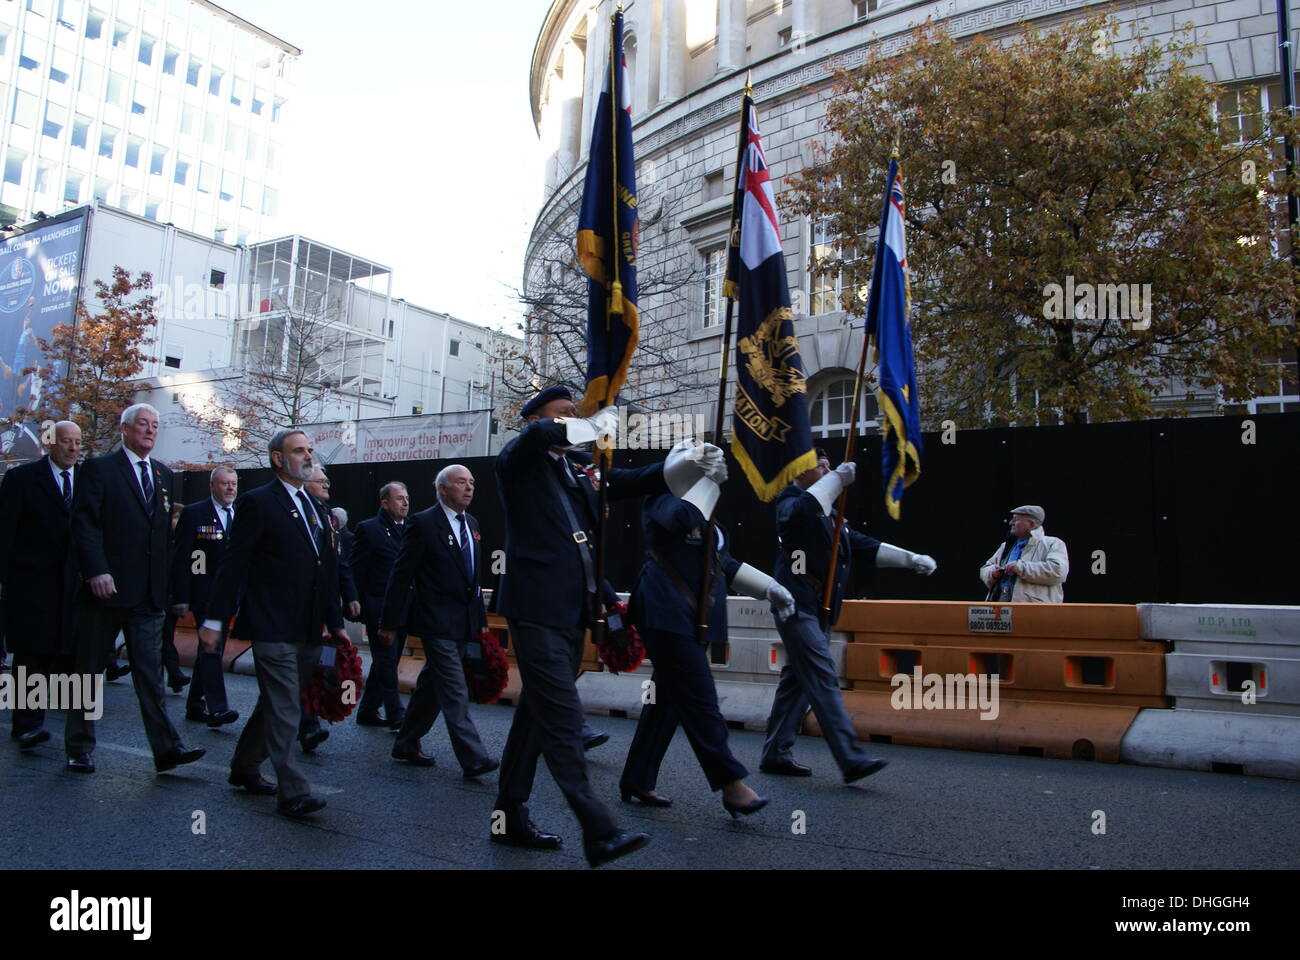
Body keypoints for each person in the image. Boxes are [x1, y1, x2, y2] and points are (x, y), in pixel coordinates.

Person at [491, 384, 721, 868]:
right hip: (536, 610)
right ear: (535, 420)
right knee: (561, 721)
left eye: (575, 413)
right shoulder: (520, 460)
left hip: (572, 612)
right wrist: (597, 422)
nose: (572, 420)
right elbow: (538, 439)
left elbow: (629, 482)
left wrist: (688, 464)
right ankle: (599, 830)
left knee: (536, 716)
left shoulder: (574, 473)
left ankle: (509, 815)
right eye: (562, 413)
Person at [620, 463, 792, 816]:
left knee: (667, 701)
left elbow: (724, 564)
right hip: (664, 610)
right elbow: (682, 519)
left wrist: (771, 588)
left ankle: (637, 778)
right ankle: (731, 784)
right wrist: (705, 482)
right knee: (701, 698)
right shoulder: (664, 500)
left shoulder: (710, 515)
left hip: (693, 616)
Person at [199, 429, 348, 819]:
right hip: (271, 624)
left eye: (310, 450)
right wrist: (214, 620)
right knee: (285, 706)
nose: (307, 456)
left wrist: (335, 621)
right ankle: (293, 791)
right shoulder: (258, 503)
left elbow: (326, 568)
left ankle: (245, 766)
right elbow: (233, 565)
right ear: (277, 459)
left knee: (277, 703)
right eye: (298, 451)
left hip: (309, 626)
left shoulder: (315, 508)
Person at [759, 451, 935, 782]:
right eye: (821, 466)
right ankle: (850, 758)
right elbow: (800, 513)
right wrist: (837, 479)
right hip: (795, 606)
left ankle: (775, 753)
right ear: (800, 472)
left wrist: (911, 559)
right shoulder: (791, 499)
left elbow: (865, 546)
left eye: (830, 466)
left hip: (819, 610)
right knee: (823, 674)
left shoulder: (830, 516)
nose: (829, 469)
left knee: (797, 682)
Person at [66, 403, 203, 775]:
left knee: (150, 672)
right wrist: (96, 571)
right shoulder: (98, 469)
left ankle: (166, 749)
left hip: (148, 595)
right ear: (124, 429)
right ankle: (79, 746)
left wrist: (173, 591)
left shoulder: (162, 474)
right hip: (105, 591)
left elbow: (163, 540)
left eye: (155, 426)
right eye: (142, 424)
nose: (149, 431)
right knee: (88, 671)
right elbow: (85, 525)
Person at [379, 466, 497, 777]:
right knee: (455, 689)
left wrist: (480, 621)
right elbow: (400, 575)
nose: (469, 488)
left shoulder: (472, 524)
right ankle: (473, 757)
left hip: (464, 623)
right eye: (461, 482)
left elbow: (473, 579)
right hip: (435, 621)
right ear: (442, 489)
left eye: (472, 482)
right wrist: (389, 622)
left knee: (431, 686)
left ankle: (406, 742)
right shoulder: (422, 523)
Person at [0, 421, 83, 750]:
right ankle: (26, 725)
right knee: (31, 655)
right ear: (51, 444)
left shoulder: (89, 481)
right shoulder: (22, 479)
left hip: (73, 586)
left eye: (77, 442)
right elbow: (5, 532)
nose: (73, 448)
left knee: (65, 653)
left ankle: (59, 716)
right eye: (66, 442)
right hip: (32, 584)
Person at [296, 466, 362, 753]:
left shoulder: (328, 518)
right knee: (294, 674)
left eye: (327, 481)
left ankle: (308, 723)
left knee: (312, 668)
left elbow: (339, 564)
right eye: (320, 481)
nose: (326, 485)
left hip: (322, 608)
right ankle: (304, 725)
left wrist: (349, 596)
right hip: (292, 608)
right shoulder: (294, 512)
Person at [171, 466, 240, 727]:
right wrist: (180, 595)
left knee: (209, 646)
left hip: (230, 594)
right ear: (213, 486)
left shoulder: (240, 513)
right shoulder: (195, 513)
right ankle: (218, 707)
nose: (230, 488)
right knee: (212, 647)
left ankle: (195, 704)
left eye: (233, 484)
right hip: (204, 593)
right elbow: (182, 557)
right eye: (225, 484)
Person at [352, 482, 410, 729]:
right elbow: (357, 570)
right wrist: (356, 603)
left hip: (404, 607)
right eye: (399, 499)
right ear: (384, 503)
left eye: (407, 498)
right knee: (386, 662)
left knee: (387, 660)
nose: (405, 503)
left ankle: (367, 710)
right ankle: (397, 714)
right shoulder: (369, 529)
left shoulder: (411, 528)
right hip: (378, 608)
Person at [980, 505, 1068, 603]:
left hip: (1033, 610)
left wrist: (1020, 567)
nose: (1011, 523)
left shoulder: (1052, 544)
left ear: (1031, 524)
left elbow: (1058, 572)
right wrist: (992, 573)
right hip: (999, 609)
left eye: (1015, 519)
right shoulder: (1006, 546)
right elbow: (985, 568)